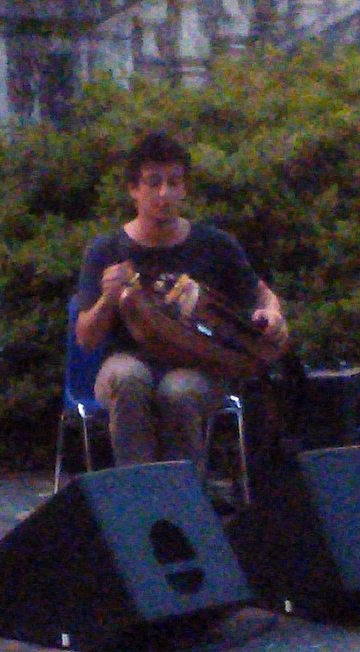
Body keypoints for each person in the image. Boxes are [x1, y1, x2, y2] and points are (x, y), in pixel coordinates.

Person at [75, 130, 288, 471]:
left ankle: (184, 502)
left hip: (200, 363)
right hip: (125, 359)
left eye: (174, 183)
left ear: (184, 188)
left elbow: (258, 291)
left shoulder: (214, 244)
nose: (164, 194)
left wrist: (272, 314)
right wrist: (107, 300)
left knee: (179, 391)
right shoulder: (106, 250)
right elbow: (85, 338)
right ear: (134, 189)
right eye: (153, 183)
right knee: (129, 379)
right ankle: (139, 497)